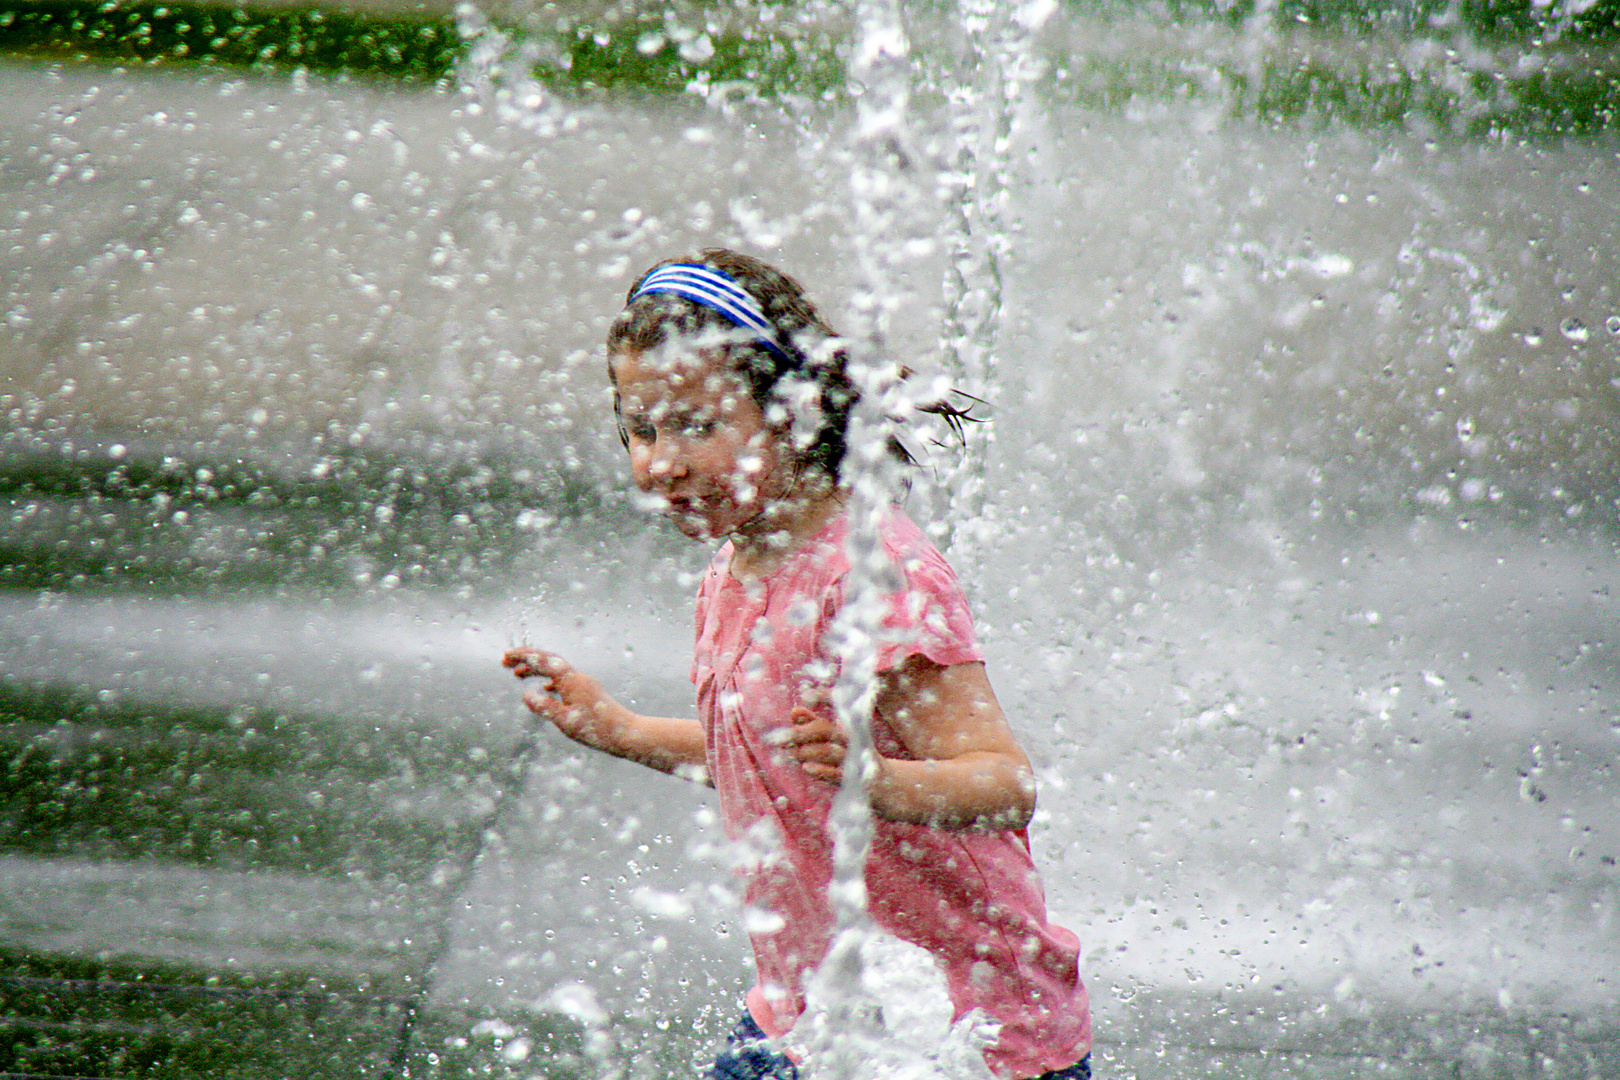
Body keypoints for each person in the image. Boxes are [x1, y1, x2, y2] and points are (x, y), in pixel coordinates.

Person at [502, 249, 1091, 1080]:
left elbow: (1005, 783)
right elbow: (776, 765)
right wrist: (623, 730)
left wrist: (878, 781)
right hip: (809, 1015)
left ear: (791, 414)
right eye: (641, 430)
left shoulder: (873, 574)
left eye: (696, 425)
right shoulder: (735, 570)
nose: (660, 462)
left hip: (963, 1032)